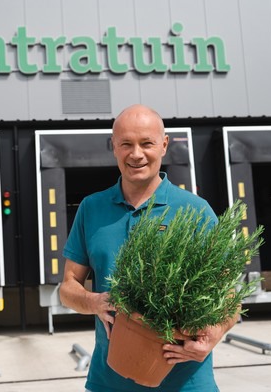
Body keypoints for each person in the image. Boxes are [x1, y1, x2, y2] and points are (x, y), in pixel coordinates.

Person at [59, 104, 238, 391]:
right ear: (114, 146)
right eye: (126, 144)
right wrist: (95, 302)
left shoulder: (195, 210)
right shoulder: (92, 208)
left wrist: (213, 335)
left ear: (164, 145)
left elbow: (230, 296)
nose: (136, 154)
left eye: (147, 143)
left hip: (186, 383)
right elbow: (67, 288)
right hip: (109, 382)